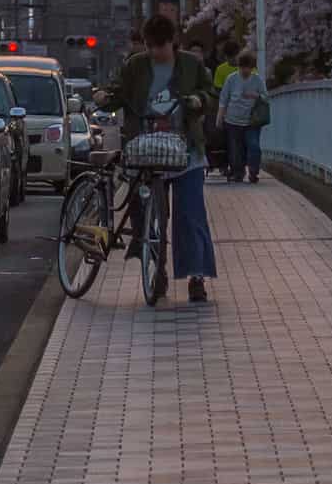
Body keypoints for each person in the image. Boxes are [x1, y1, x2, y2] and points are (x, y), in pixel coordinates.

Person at [105, 16, 220, 304]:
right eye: (151, 46)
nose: (156, 52)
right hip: (145, 148)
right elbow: (117, 92)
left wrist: (198, 101)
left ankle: (197, 277)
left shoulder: (191, 65)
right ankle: (157, 270)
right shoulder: (135, 66)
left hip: (186, 150)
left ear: (173, 42)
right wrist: (104, 97)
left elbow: (210, 93)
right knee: (145, 213)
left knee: (190, 215)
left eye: (161, 46)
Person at [217, 50, 270, 184]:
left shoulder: (257, 80)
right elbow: (223, 99)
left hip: (251, 122)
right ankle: (238, 172)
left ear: (252, 68)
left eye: (249, 67)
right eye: (242, 67)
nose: (245, 70)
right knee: (235, 150)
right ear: (238, 66)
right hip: (232, 120)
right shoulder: (231, 79)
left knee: (254, 146)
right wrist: (219, 117)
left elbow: (266, 97)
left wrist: (256, 96)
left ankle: (253, 172)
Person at [210, 42, 239, 176]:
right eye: (230, 57)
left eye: (235, 56)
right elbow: (217, 89)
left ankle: (236, 165)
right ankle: (230, 166)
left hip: (243, 110)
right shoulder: (221, 69)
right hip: (227, 110)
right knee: (228, 139)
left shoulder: (245, 68)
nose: (233, 59)